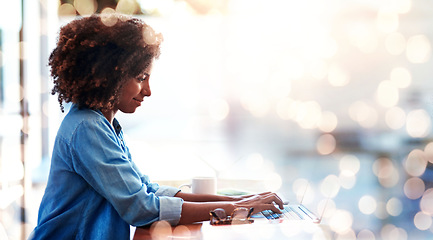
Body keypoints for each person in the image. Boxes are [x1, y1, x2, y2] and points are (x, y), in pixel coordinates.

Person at [30, 13, 283, 240]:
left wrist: (240, 201)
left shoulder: (103, 124)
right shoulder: (87, 128)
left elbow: (149, 190)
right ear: (109, 76)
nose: (148, 91)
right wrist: (237, 209)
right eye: (141, 78)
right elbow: (141, 208)